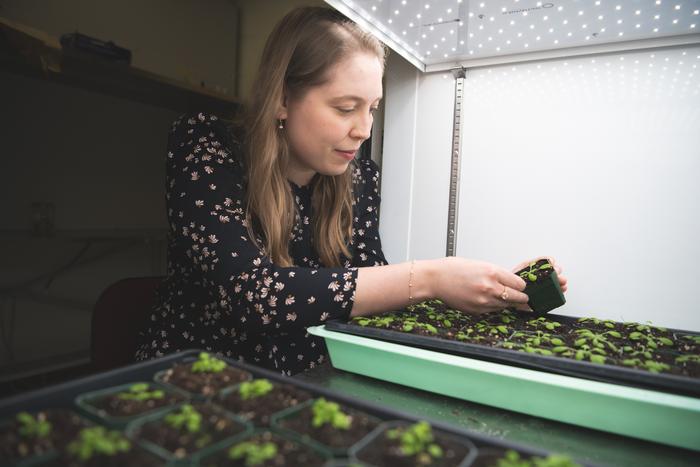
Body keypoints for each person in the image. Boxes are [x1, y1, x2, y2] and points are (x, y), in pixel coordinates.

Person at [134, 7, 567, 375]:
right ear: (282, 99)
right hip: (198, 382)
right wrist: (433, 276)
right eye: (345, 108)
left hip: (310, 383)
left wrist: (499, 293)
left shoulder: (358, 179)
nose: (363, 130)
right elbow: (255, 295)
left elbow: (372, 292)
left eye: (373, 108)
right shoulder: (206, 147)